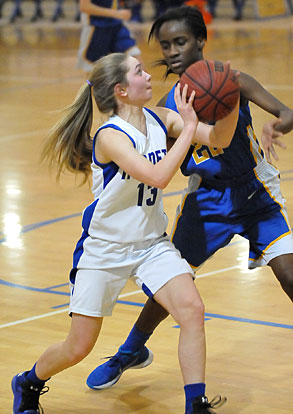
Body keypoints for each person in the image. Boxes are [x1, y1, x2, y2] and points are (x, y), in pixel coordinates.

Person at [86, 3, 293, 407]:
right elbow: (167, 167)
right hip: (206, 202)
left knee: (289, 274)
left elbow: (286, 111)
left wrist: (276, 125)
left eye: (180, 41)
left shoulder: (232, 81)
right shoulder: (165, 106)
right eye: (166, 45)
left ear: (200, 40)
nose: (173, 50)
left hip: (254, 195)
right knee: (169, 286)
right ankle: (131, 349)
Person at [11, 52, 239, 414]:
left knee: (192, 310)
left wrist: (230, 101)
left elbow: (219, 139)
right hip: (104, 250)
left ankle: (196, 404)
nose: (149, 75)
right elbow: (160, 175)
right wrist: (190, 126)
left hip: (151, 245)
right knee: (79, 347)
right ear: (121, 90)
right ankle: (28, 382)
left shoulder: (161, 119)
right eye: (138, 72)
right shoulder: (109, 136)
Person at [76, 0, 141, 73]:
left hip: (117, 26)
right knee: (95, 74)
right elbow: (84, 6)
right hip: (96, 28)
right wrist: (116, 13)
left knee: (138, 66)